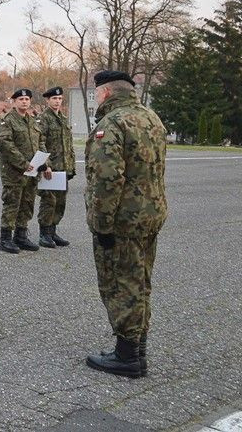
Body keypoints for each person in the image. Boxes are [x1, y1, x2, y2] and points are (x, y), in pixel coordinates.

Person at [85, 70, 167, 378]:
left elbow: (107, 181)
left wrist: (101, 226)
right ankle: (137, 346)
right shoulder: (151, 118)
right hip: (150, 215)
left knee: (121, 284)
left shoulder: (112, 124)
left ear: (105, 93)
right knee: (141, 280)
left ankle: (128, 355)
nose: (96, 98)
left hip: (123, 221)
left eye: (96, 94)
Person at [0, 88, 45, 253]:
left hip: (32, 172)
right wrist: (24, 164)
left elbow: (41, 142)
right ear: (14, 102)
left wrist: (44, 161)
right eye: (21, 99)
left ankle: (21, 236)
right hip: (14, 172)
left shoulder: (33, 121)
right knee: (12, 204)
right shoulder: (7, 121)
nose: (24, 102)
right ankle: (6, 239)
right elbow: (6, 145)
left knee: (27, 204)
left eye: (27, 99)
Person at [37, 86, 75, 247]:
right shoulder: (43, 119)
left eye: (59, 99)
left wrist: (71, 166)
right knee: (49, 200)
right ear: (47, 100)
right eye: (54, 99)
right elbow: (39, 142)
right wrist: (45, 165)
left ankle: (53, 230)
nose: (57, 101)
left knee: (60, 201)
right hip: (50, 168)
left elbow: (68, 144)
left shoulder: (63, 118)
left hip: (63, 167)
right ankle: (44, 233)